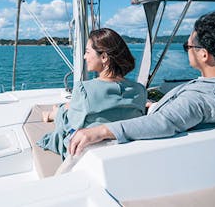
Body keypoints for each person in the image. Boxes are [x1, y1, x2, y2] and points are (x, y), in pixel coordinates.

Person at [68, 10, 215, 156]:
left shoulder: (201, 97)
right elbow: (189, 113)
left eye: (187, 46)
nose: (187, 50)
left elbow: (163, 122)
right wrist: (155, 105)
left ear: (204, 54)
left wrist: (100, 131)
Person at [37, 28, 146, 159]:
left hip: (87, 154)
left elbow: (70, 128)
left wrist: (62, 113)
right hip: (124, 153)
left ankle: (51, 113)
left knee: (64, 111)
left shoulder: (84, 89)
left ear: (104, 57)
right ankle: (59, 110)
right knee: (71, 107)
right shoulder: (139, 90)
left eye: (87, 52)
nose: (84, 56)